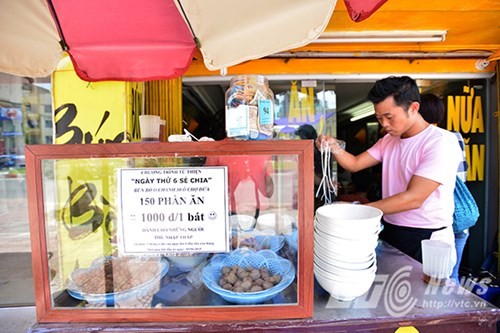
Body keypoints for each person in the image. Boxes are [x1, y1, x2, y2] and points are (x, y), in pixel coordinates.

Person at [317, 76, 462, 265]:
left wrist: (355, 211)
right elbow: (354, 163)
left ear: (413, 108)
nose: (384, 124)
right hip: (391, 229)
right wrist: (333, 146)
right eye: (379, 118)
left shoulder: (440, 142)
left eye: (389, 117)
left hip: (426, 237)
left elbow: (413, 198)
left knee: (426, 292)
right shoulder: (389, 140)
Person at [419, 92, 469, 283]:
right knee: (449, 275)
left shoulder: (438, 139)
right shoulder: (454, 137)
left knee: (437, 278)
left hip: (441, 219)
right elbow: (463, 171)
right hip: (459, 216)